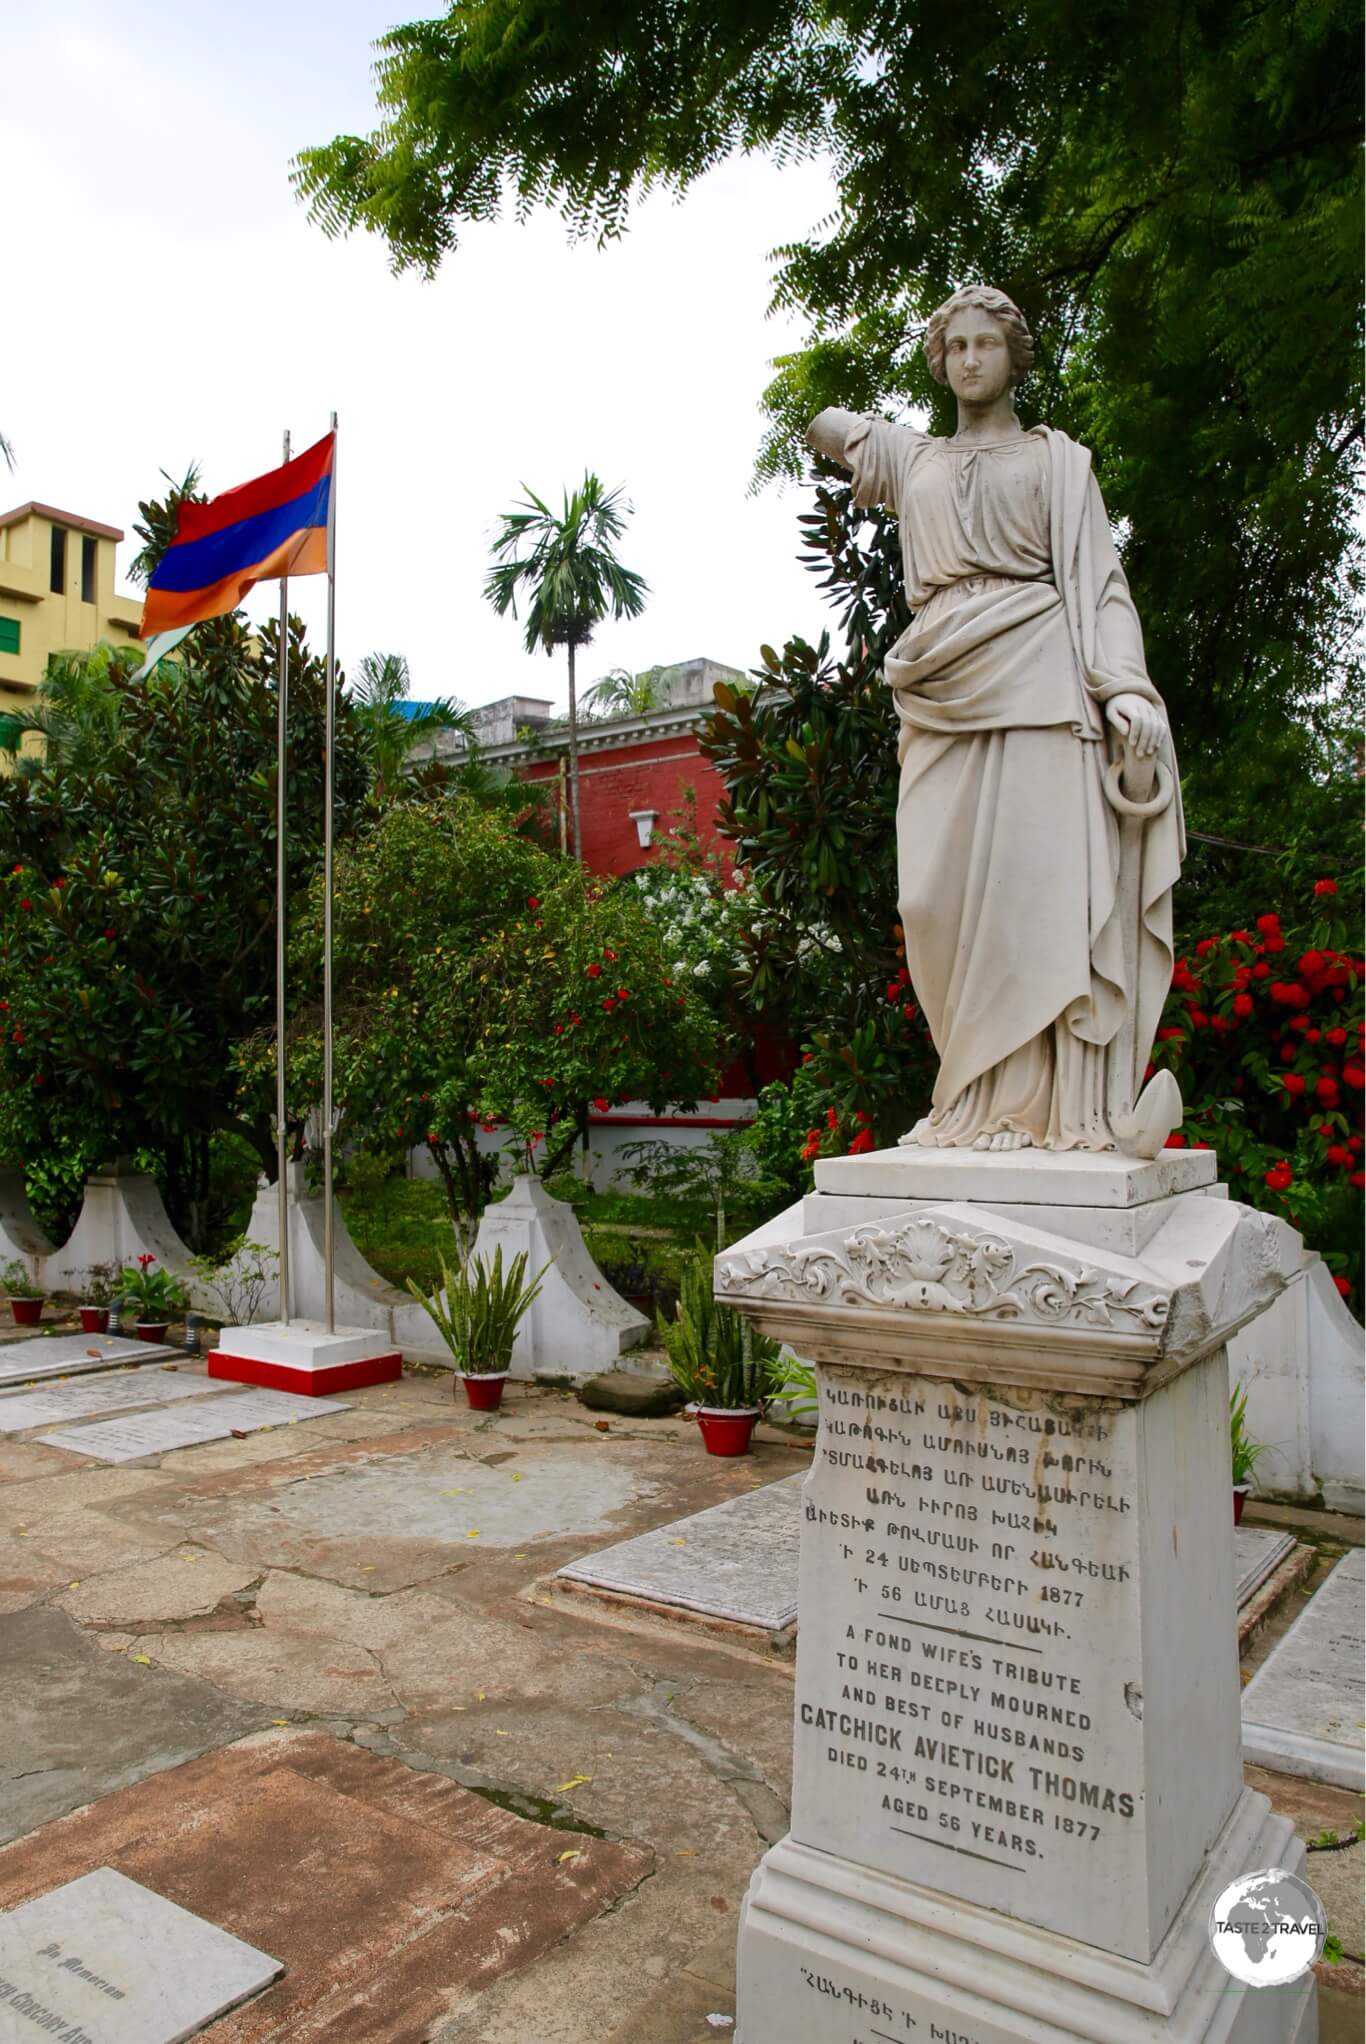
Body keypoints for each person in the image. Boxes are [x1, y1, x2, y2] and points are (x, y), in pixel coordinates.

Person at [807, 285, 1184, 1156]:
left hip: (1043, 680)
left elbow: (1102, 588)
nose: (972, 359)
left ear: (1017, 356)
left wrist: (1124, 686)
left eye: (987, 344)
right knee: (929, 898)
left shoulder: (1060, 463)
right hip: (941, 685)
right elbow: (822, 425)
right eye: (956, 347)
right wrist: (870, 436)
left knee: (1034, 895)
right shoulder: (917, 461)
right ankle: (969, 1095)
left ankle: (1033, 1110)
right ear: (939, 364)